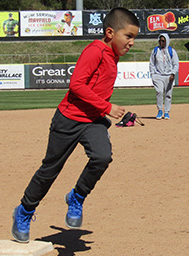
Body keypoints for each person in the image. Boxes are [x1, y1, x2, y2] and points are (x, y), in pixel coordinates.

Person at [11, 7, 140, 243]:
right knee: (50, 170)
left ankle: (77, 197)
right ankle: (24, 211)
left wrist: (104, 110)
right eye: (128, 36)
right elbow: (76, 86)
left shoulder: (113, 54)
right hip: (69, 119)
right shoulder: (95, 51)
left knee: (102, 157)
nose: (131, 42)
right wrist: (108, 107)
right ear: (110, 33)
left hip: (92, 121)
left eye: (134, 38)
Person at [149, 33, 179, 120]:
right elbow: (152, 63)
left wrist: (173, 73)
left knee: (168, 94)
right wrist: (153, 74)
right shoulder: (155, 51)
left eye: (163, 41)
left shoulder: (171, 51)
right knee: (159, 91)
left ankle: (166, 112)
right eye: (160, 41)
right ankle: (159, 110)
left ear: (167, 41)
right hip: (158, 75)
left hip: (168, 75)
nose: (161, 42)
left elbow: (176, 64)